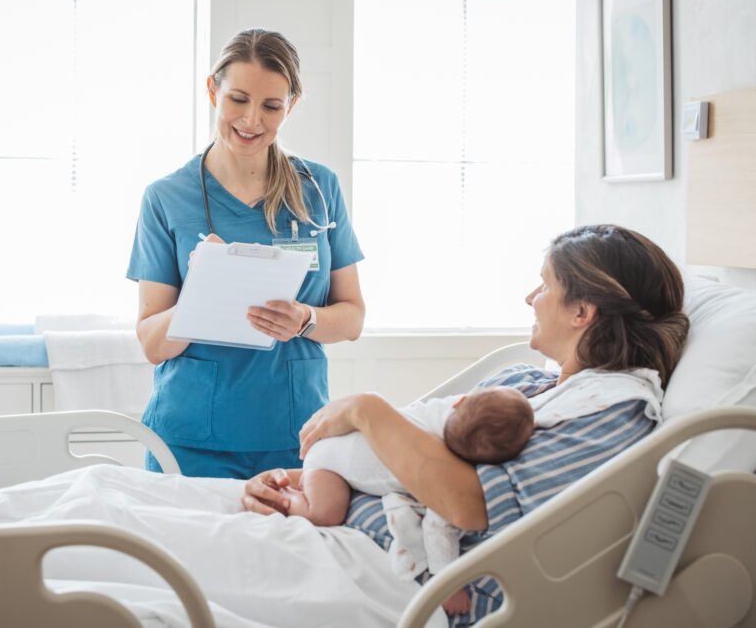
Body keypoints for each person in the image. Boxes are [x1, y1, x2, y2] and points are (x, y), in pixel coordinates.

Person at [242, 224, 690, 624]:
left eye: (545, 286)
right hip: (333, 533)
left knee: (180, 574)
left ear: (582, 312)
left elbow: (469, 505)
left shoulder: (612, 414)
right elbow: (402, 458)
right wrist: (297, 482)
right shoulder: (525, 381)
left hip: (401, 581)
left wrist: (366, 408)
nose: (530, 299)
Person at [127, 28, 365, 479]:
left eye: (271, 106)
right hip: (191, 441)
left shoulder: (319, 189)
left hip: (296, 434)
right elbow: (152, 344)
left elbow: (352, 317)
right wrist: (200, 291)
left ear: (290, 106)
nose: (252, 120)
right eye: (238, 99)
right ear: (213, 90)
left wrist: (306, 320)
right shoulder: (166, 197)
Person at [287, 385, 533, 617]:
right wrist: (446, 584)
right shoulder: (446, 464)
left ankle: (293, 487)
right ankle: (287, 499)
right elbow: (438, 528)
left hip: (341, 438)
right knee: (324, 515)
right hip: (327, 463)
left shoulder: (446, 413)